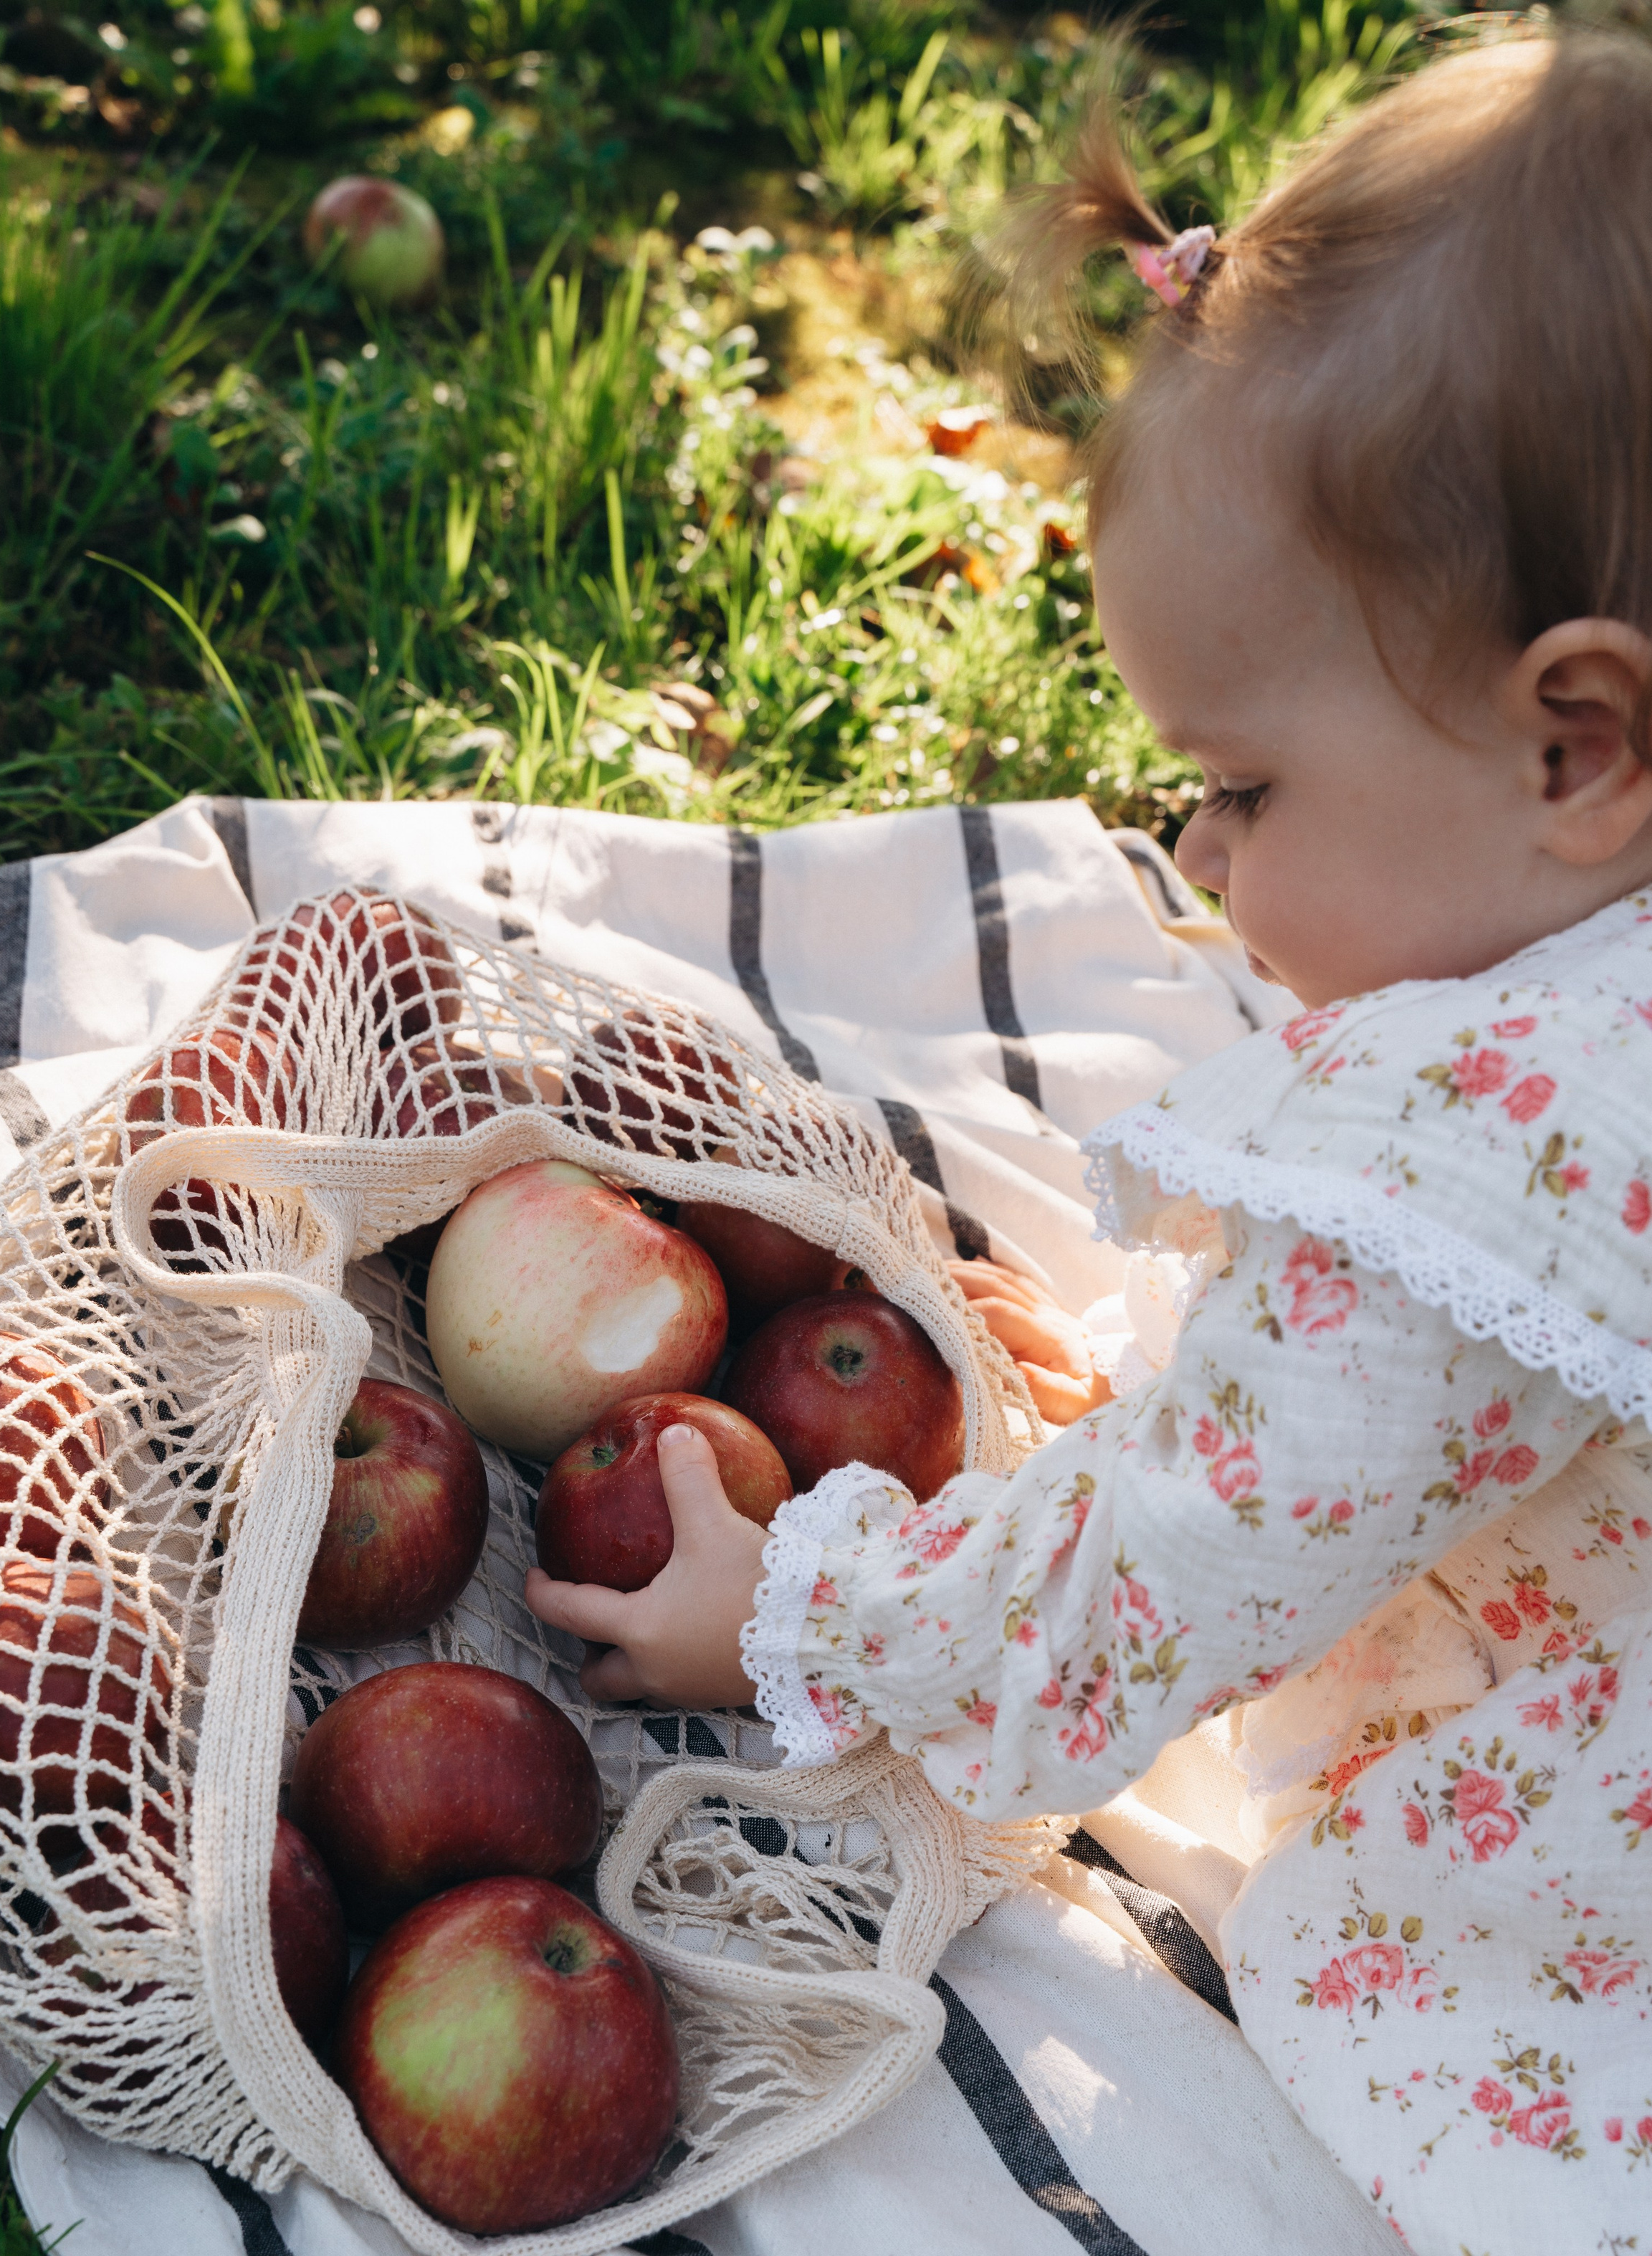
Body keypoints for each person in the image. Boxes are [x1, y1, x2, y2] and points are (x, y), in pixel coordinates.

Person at [528, 29, 1652, 2252]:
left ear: (1578, 746)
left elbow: (1152, 1577)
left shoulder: (1464, 1166)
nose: (1197, 855)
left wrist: (809, 1607)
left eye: (1242, 787)